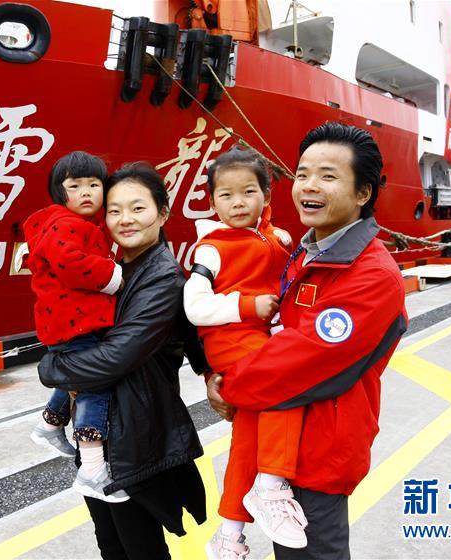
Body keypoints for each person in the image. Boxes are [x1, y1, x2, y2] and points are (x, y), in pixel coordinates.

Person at [208, 122, 408, 558]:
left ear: (363, 193)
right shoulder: (308, 251)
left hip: (318, 456)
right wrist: (213, 369)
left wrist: (228, 385)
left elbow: (301, 359)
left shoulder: (372, 274)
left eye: (327, 176)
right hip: (279, 445)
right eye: (302, 174)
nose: (309, 186)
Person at [39, 162, 209, 559]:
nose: (124, 219)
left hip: (135, 437)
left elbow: (116, 357)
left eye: (137, 208)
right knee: (111, 544)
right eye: (114, 210)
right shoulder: (113, 270)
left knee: (140, 547)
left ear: (163, 213)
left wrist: (50, 369)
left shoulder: (162, 278)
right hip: (98, 427)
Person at [183, 146, 307, 558]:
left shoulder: (278, 238)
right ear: (213, 201)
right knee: (286, 382)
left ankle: (229, 534)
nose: (237, 202)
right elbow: (193, 307)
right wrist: (246, 306)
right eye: (226, 195)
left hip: (261, 339)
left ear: (266, 195)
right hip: (233, 343)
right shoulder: (211, 248)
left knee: (248, 440)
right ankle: (271, 486)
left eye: (248, 192)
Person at [24, 151, 127, 502]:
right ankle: (92, 470)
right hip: (75, 323)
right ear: (59, 190)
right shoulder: (68, 224)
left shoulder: (63, 223)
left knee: (78, 377)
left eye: (94, 185)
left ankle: (50, 424)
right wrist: (113, 276)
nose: (86, 192)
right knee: (95, 386)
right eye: (75, 186)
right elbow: (70, 263)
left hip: (67, 322)